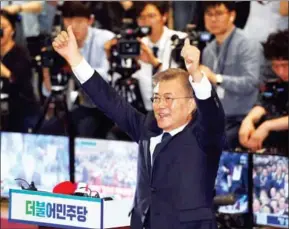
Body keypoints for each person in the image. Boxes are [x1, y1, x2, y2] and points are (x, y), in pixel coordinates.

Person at [52, 24, 225, 228]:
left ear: (191, 103)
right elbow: (109, 100)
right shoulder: (147, 127)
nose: (160, 105)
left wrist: (196, 74)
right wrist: (75, 59)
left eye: (169, 98)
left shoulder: (204, 135)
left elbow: (212, 113)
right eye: (156, 98)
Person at [42, 1, 115, 138]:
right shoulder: (61, 43)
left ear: (90, 21)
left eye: (80, 21)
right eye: (69, 21)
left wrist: (75, 64)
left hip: (107, 104)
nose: (74, 26)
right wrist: (46, 68)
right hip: (78, 105)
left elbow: (105, 77)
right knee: (46, 130)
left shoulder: (105, 38)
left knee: (83, 130)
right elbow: (48, 91)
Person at [200, 1, 262, 149]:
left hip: (242, 117)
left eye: (219, 13)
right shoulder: (208, 50)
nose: (213, 19)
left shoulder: (247, 44)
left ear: (232, 15)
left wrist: (217, 79)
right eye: (209, 14)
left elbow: (252, 82)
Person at [239, 30, 288, 152]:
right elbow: (266, 101)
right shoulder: (274, 78)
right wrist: (249, 120)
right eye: (276, 66)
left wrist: (268, 126)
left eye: (285, 65)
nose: (281, 72)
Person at [0, 9, 39, 132]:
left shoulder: (21, 54)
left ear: (12, 30)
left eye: (2, 28)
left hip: (20, 110)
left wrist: (4, 71)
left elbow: (17, 81)